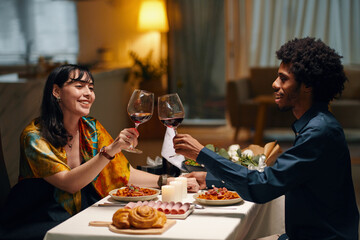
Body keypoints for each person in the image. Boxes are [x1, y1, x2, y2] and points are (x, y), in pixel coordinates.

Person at [174, 37, 359, 239]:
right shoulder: (318, 124)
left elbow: (262, 187)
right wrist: (210, 179)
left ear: (307, 85)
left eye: (283, 78)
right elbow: (278, 178)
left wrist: (202, 154)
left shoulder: (319, 132)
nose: (274, 83)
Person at [0, 64, 199, 240]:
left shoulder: (91, 128)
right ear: (56, 91)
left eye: (91, 88)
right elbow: (70, 184)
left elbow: (124, 173)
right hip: (40, 219)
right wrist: (110, 150)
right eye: (79, 86)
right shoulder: (34, 136)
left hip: (81, 214)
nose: (88, 93)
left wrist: (170, 181)